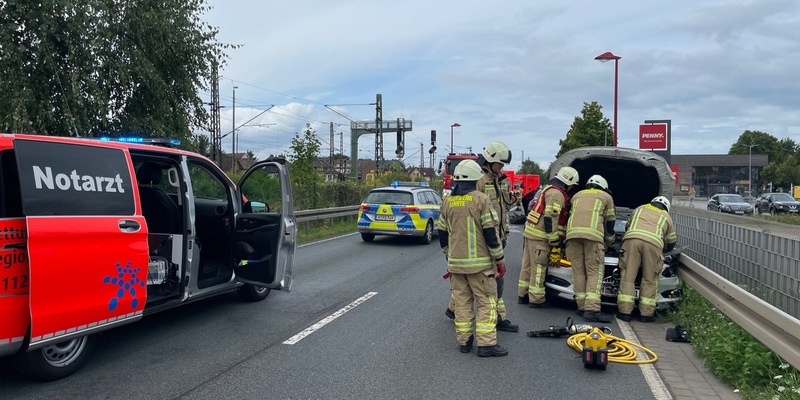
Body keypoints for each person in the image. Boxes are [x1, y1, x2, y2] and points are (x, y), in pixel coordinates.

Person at [438, 159, 508, 357]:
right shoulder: (481, 200)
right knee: (487, 303)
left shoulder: (447, 202)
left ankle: (464, 342)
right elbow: (490, 234)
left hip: (456, 266)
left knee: (462, 303)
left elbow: (442, 235)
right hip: (481, 267)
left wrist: (449, 258)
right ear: (476, 179)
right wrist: (499, 259)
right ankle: (486, 345)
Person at [445, 142, 518, 332]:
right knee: (491, 281)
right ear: (490, 161)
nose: (502, 168)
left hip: (497, 237)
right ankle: (497, 319)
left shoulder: (499, 180)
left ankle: (454, 309)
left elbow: (502, 208)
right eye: (500, 164)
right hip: (484, 240)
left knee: (478, 281)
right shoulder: (478, 181)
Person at [518, 166, 579, 307]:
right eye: (572, 186)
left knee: (527, 267)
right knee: (539, 268)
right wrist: (554, 239)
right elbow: (550, 217)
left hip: (531, 234)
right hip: (541, 237)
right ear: (567, 182)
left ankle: (523, 294)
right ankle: (536, 299)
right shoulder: (557, 194)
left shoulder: (547, 189)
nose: (571, 189)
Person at [616, 196, 677, 323]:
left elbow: (628, 226)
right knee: (649, 280)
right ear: (666, 207)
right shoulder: (666, 216)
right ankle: (646, 315)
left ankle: (624, 313)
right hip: (653, 244)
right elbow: (671, 242)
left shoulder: (640, 208)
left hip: (632, 241)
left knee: (628, 277)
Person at [564, 175, 616, 323]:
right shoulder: (606, 196)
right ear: (603, 186)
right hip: (593, 238)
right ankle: (592, 309)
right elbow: (610, 222)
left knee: (578, 271)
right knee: (594, 272)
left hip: (572, 236)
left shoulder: (576, 196)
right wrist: (610, 242)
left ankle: (581, 306)